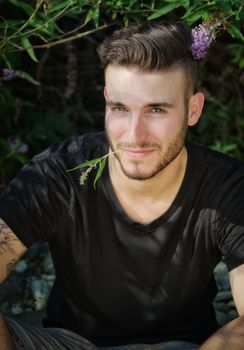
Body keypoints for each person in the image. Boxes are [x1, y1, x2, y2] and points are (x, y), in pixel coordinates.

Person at [0, 21, 244, 350]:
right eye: (120, 108)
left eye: (156, 110)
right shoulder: (58, 173)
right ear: (105, 101)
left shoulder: (227, 186)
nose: (134, 134)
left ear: (193, 109)